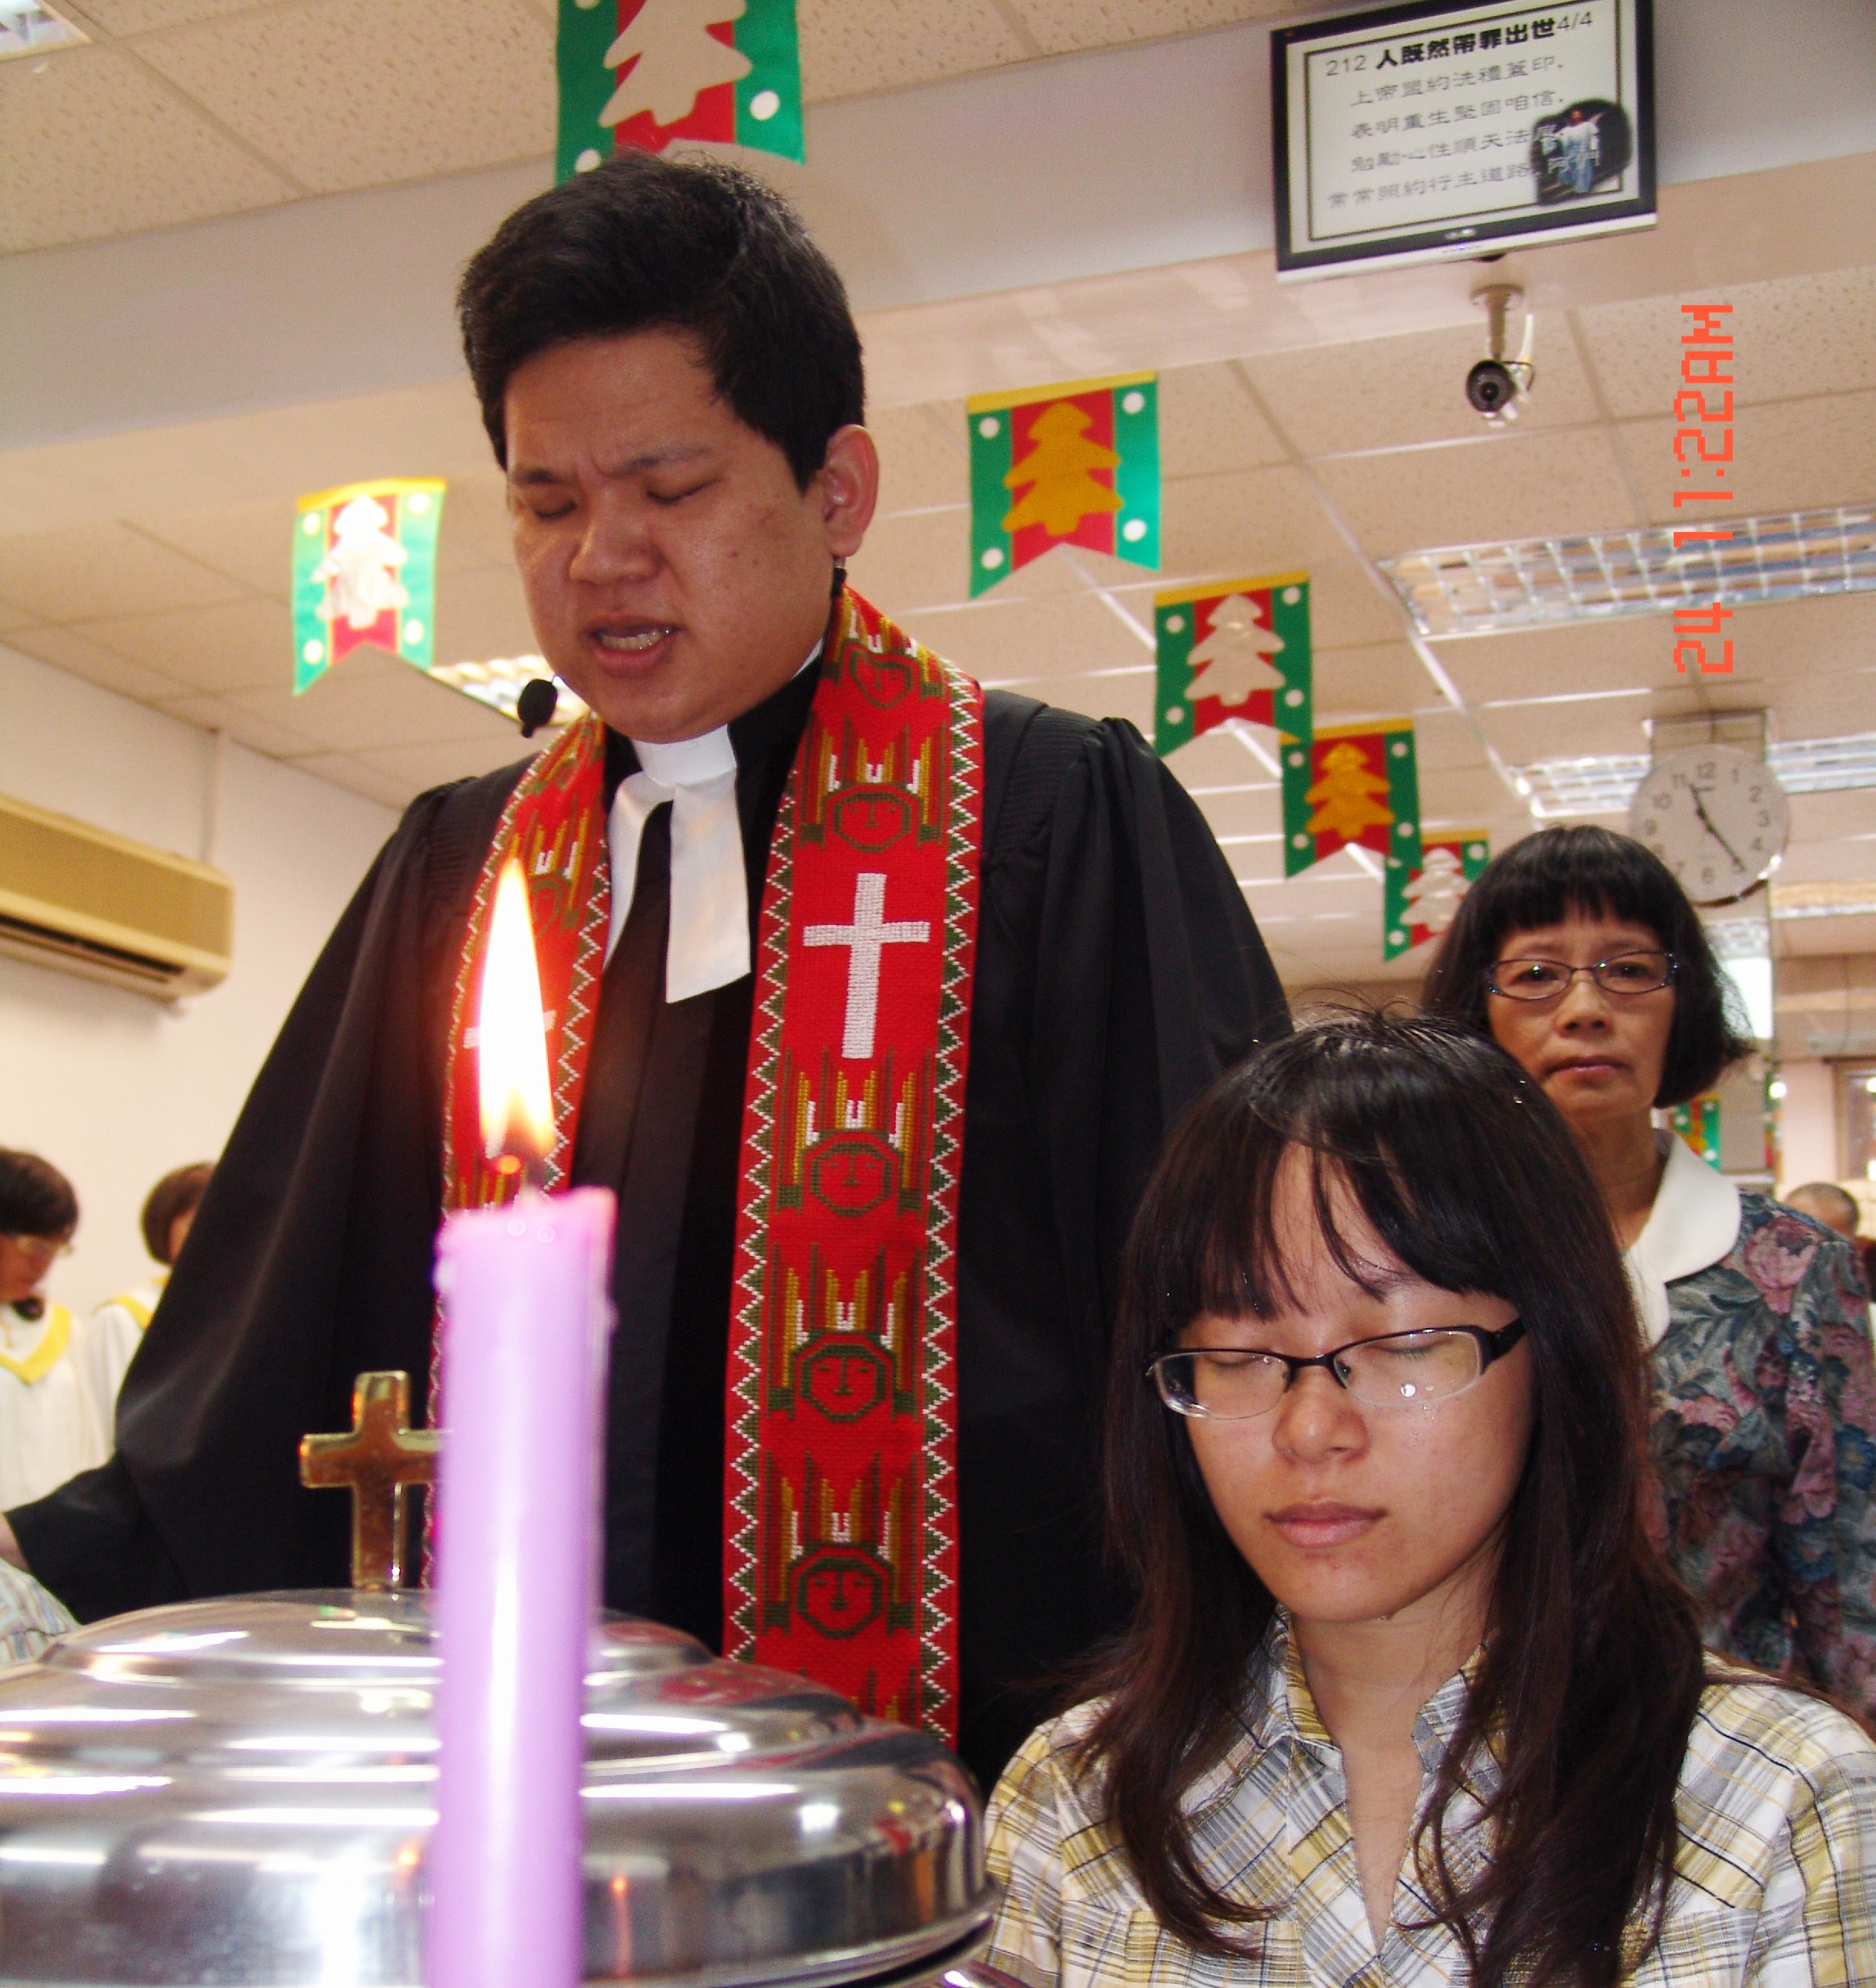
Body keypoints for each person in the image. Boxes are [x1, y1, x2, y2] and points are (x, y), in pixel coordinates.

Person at [1, 156, 1286, 1792]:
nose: (601, 555)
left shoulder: (1047, 824)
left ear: (836, 491)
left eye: (668, 489)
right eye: (547, 503)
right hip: (518, 1799)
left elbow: (1233, 1316)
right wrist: (55, 1559)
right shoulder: (461, 868)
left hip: (972, 1804)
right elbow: (285, 1337)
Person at [967, 1015, 1876, 1988]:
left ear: (1551, 1346)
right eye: (1239, 1352)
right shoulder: (1078, 1805)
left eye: (1398, 1343)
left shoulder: (1776, 1804)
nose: (1309, 1425)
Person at [1422, 824, 1876, 1711]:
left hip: (1720, 1751)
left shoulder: (1794, 1271)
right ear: (1481, 1012)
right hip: (1459, 1739)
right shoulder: (1424, 1251)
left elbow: (1850, 1586)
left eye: (1628, 969)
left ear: (1683, 1001)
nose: (1586, 1008)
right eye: (1537, 974)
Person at [0, 1150, 104, 1515]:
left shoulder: (63, 1331)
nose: (43, 1265)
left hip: (46, 1542)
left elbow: (91, 1453)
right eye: (35, 1247)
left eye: (56, 1250)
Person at [80, 1163, 215, 1446]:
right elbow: (111, 1430)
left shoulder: (244, 1313)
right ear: (165, 1227)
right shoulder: (124, 1318)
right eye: (197, 1222)